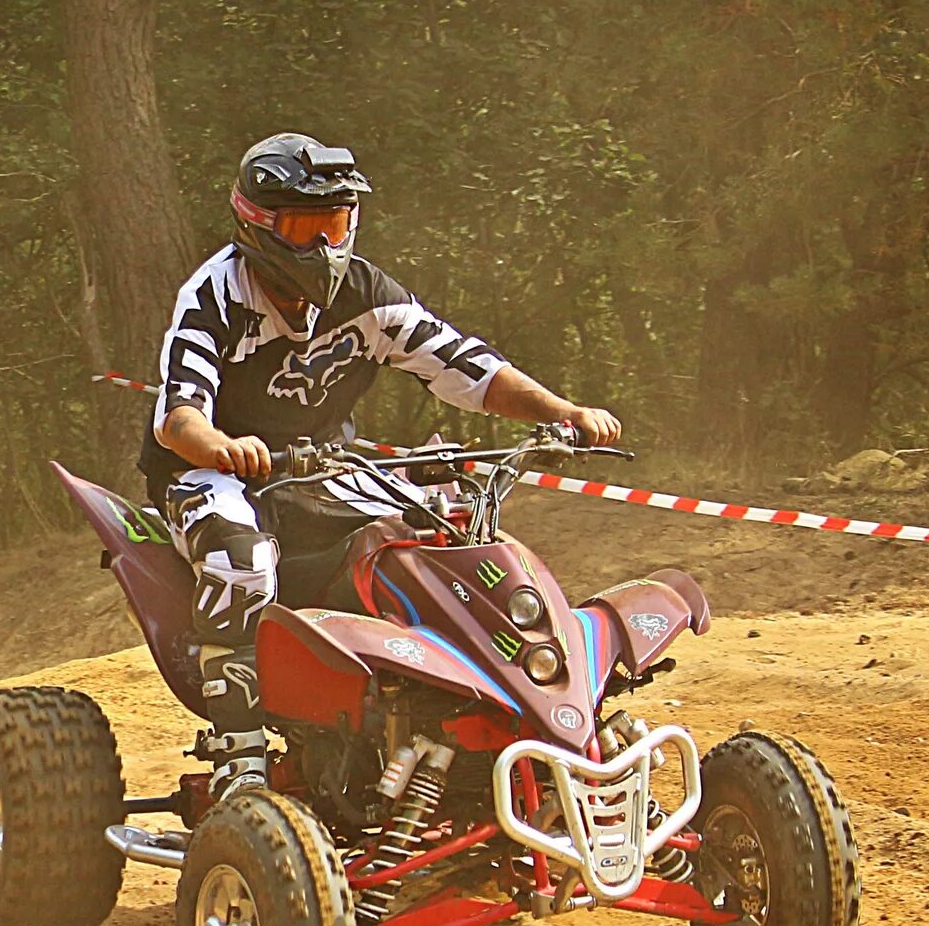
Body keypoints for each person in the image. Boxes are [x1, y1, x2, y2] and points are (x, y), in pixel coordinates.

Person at [147, 132, 620, 724]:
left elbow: (464, 365)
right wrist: (220, 444)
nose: (322, 245)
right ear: (257, 226)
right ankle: (238, 752)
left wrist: (563, 412)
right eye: (303, 228)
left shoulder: (369, 295)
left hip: (325, 467)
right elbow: (179, 415)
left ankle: (464, 712)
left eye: (336, 225)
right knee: (241, 564)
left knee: (439, 536)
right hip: (213, 475)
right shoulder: (215, 297)